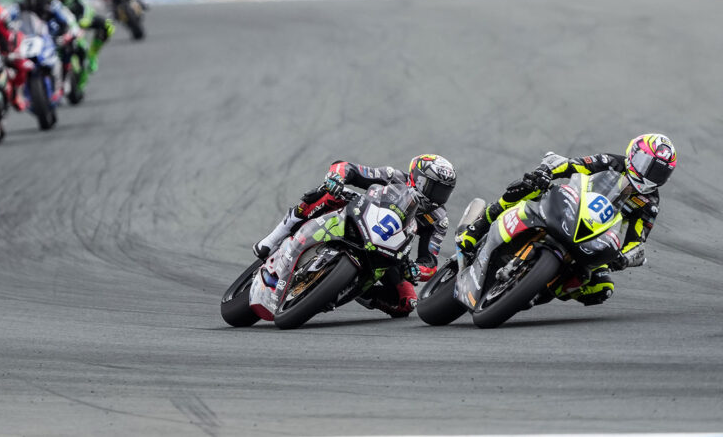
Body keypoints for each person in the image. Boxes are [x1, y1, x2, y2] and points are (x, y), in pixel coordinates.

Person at [455, 133, 677, 305]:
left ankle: (533, 293)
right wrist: (546, 173)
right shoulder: (611, 162)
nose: (652, 176)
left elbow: (637, 241)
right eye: (650, 166)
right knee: (528, 187)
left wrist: (624, 259)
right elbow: (574, 164)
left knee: (600, 288)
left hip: (593, 236)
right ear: (635, 155)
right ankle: (476, 229)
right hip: (570, 207)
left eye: (660, 172)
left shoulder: (650, 203)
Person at [254, 155, 457, 317]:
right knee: (328, 193)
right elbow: (347, 168)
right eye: (433, 187)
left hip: (389, 251)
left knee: (406, 302)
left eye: (443, 191)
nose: (437, 196)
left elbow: (429, 262)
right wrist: (337, 178)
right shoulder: (393, 176)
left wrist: (415, 270)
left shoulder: (437, 219)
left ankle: (352, 290)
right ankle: (275, 236)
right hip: (359, 215)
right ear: (418, 178)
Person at [45, 0, 114, 74]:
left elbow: (86, 4)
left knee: (108, 23)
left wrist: (85, 19)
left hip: (77, 20)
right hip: (54, 23)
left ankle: (93, 54)